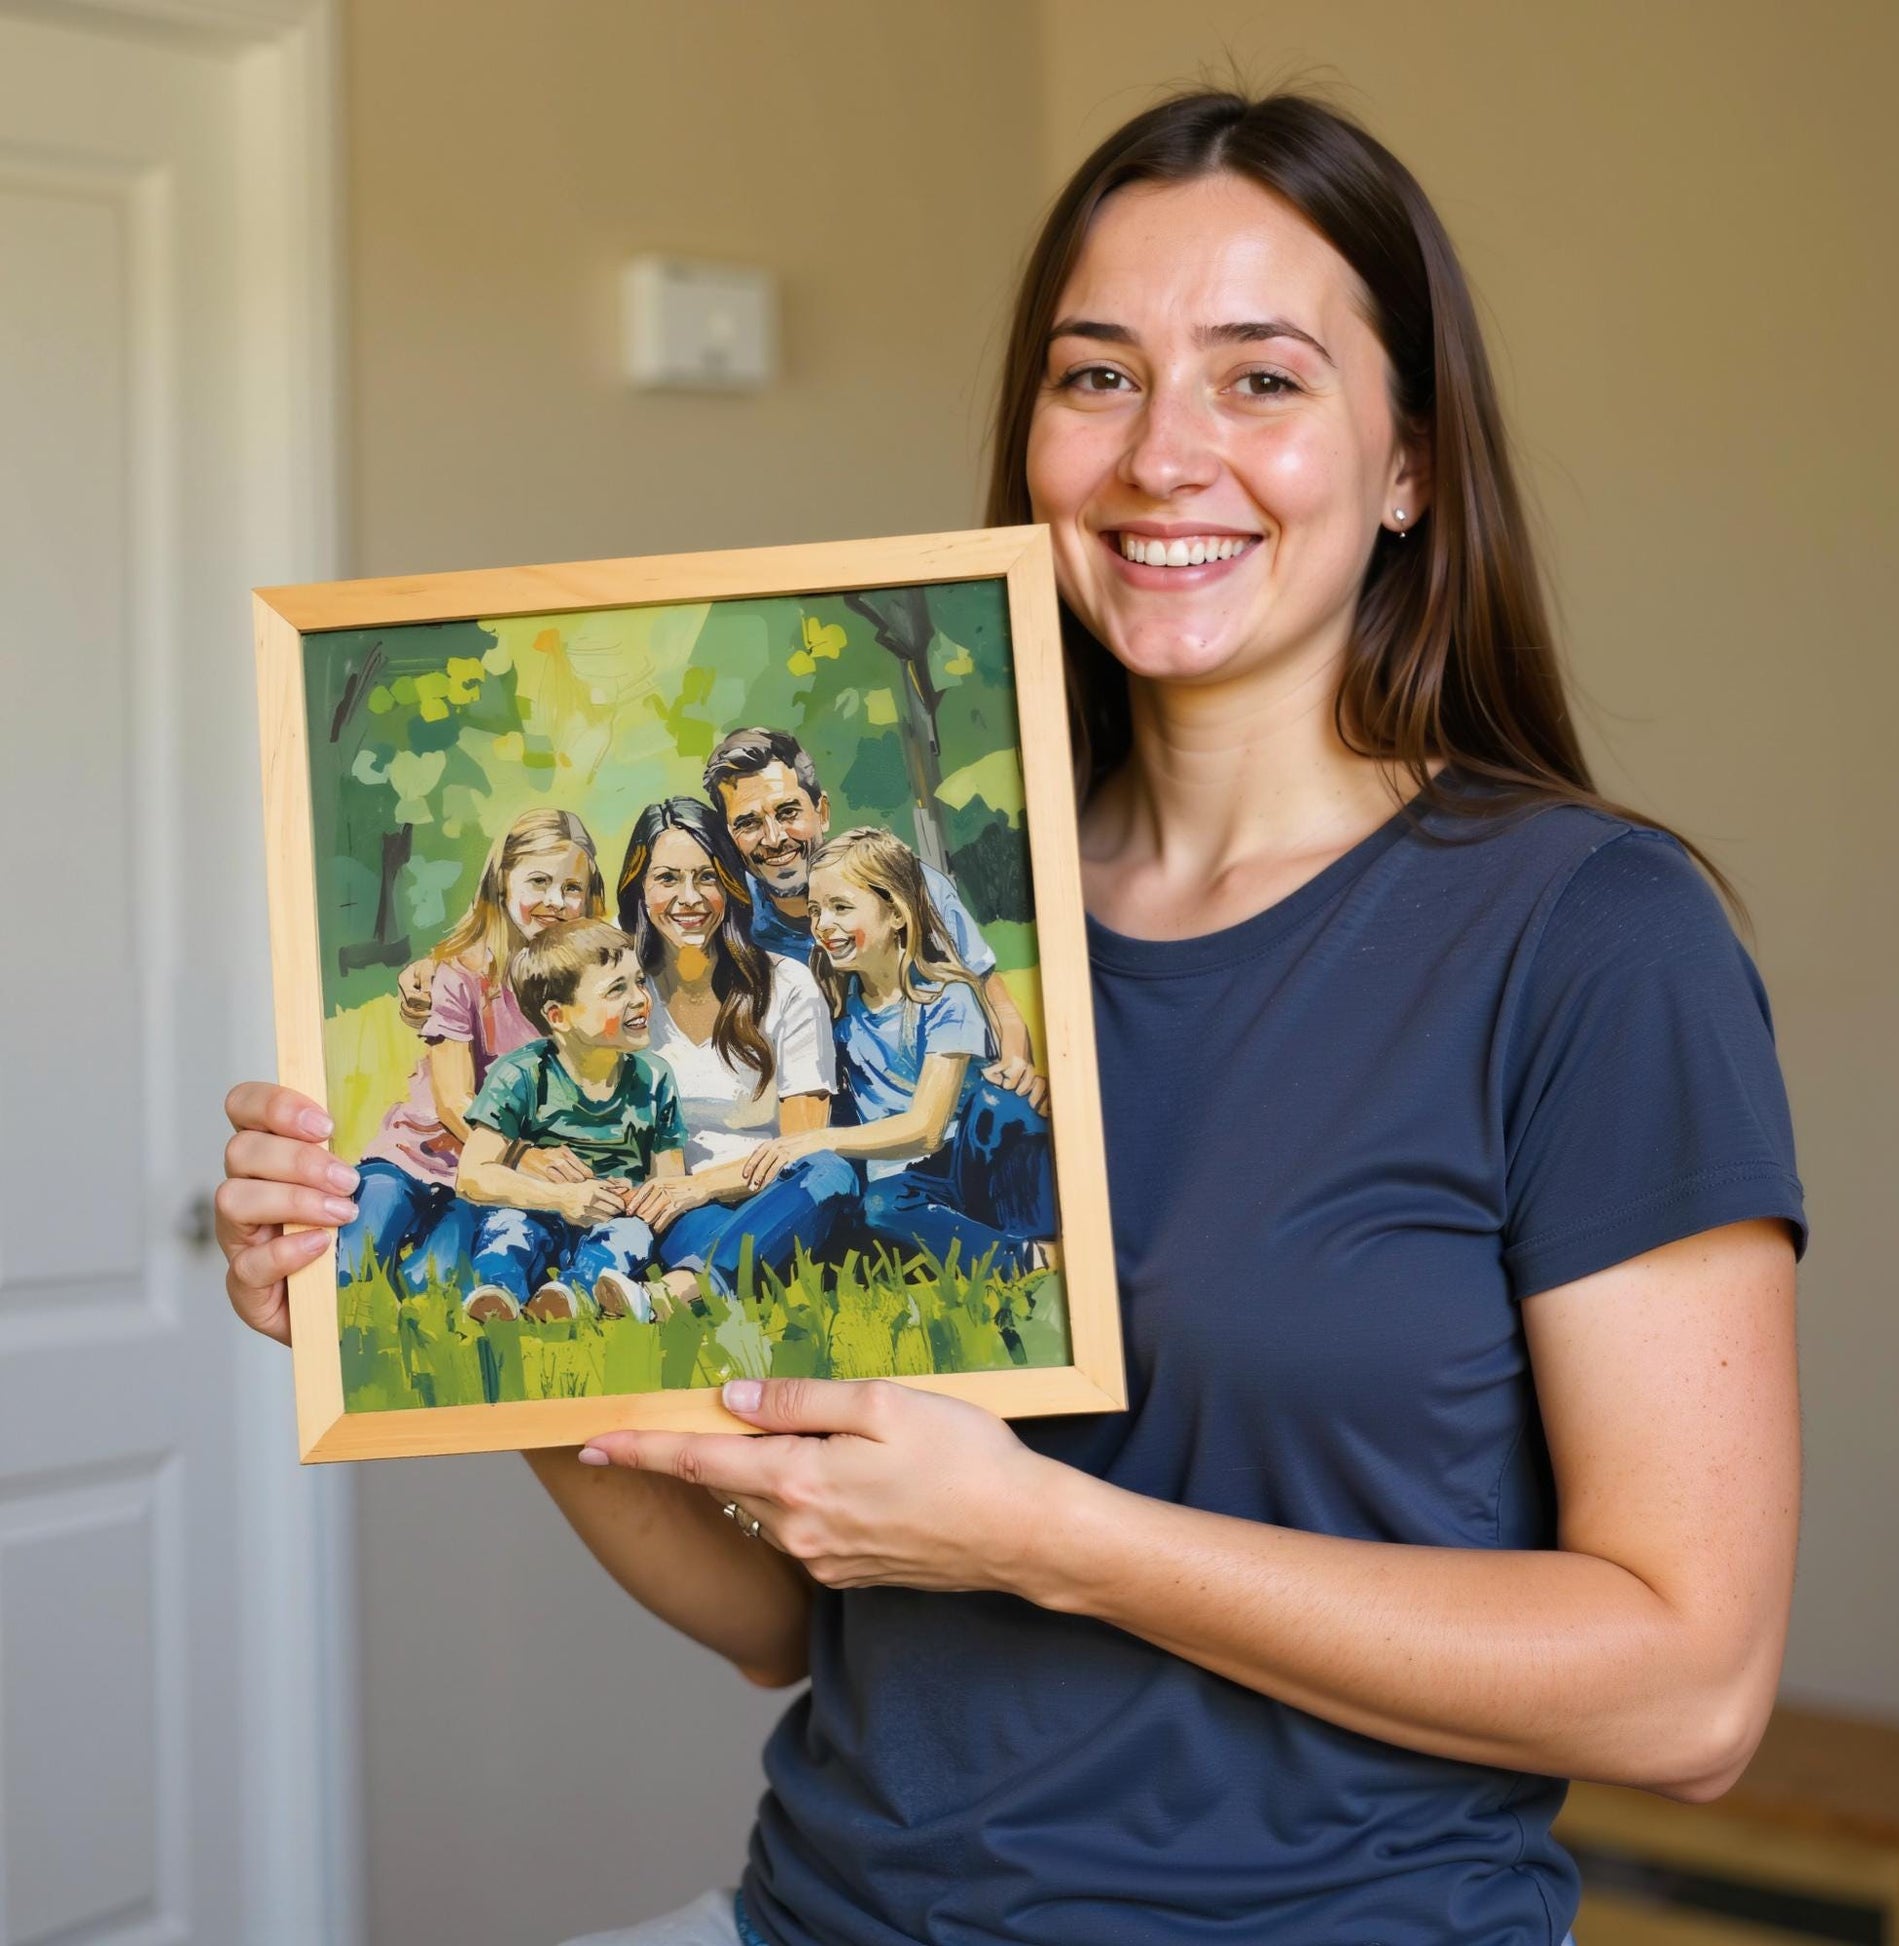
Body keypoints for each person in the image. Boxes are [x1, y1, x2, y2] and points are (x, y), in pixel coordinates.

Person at [217, 88, 1803, 1946]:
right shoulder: (983, 935)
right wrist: (423, 1331)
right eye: (1098, 376)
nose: (1161, 456)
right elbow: (793, 1624)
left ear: (1411, 465)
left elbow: (1688, 1693)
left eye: (1261, 381)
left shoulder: (1591, 937)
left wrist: (1052, 1538)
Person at [736, 827, 1055, 1278]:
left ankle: (1041, 1242)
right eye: (815, 910)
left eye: (841, 908)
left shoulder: (945, 996)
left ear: (897, 914)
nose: (823, 925)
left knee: (1004, 1105)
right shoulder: (836, 1004)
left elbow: (927, 1128)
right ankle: (1016, 1259)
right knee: (882, 1206)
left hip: (968, 1158)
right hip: (908, 1182)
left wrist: (817, 1140)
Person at [700, 726, 1049, 1113]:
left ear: (823, 811)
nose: (774, 838)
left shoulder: (903, 884)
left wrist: (1015, 1066)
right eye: (747, 824)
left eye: (788, 812)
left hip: (943, 1107)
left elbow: (996, 1005)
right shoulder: (730, 920)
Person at [337, 805, 604, 1299]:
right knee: (354, 1260)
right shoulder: (464, 976)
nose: (555, 901)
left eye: (572, 889)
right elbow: (454, 1102)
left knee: (432, 1283)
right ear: (502, 885)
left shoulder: (586, 993)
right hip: (412, 1156)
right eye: (539, 883)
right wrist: (525, 1157)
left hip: (480, 1181)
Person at [610, 797, 858, 1296]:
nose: (689, 898)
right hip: (673, 1205)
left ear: (730, 884)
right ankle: (702, 1283)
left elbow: (800, 1143)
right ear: (639, 890)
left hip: (777, 1194)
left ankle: (687, 1287)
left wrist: (700, 1186)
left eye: (706, 877)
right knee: (694, 1228)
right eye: (667, 879)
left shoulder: (786, 985)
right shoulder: (621, 990)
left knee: (829, 1171)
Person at [458, 918, 693, 1323]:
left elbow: (669, 1179)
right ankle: (497, 1293)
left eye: (639, 982)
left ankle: (572, 1294)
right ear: (559, 1016)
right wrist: (562, 1199)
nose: (639, 999)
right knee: (509, 1227)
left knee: (630, 1235)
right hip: (536, 1208)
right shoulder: (521, 1074)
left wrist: (635, 1196)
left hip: (612, 1218)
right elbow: (473, 1175)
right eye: (617, 990)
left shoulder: (654, 1078)